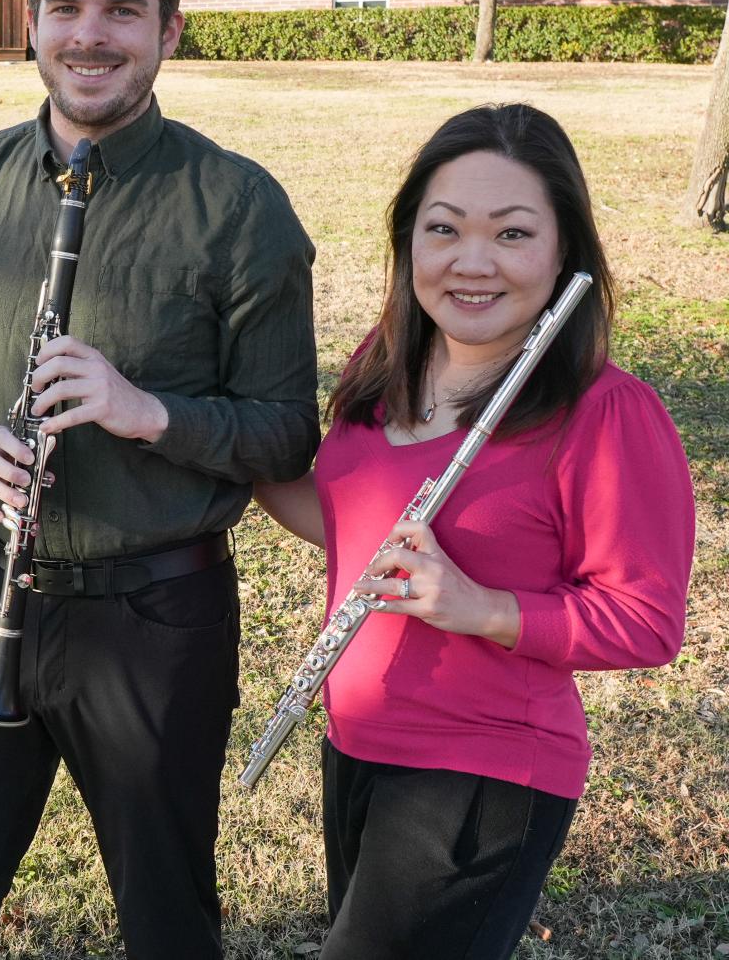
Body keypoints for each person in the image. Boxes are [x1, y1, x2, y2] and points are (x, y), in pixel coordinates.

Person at [0, 0, 319, 959]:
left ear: (168, 28)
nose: (89, 35)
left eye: (124, 10)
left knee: (166, 916)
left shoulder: (239, 207)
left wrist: (143, 411)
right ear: (31, 17)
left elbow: (283, 434)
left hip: (160, 615)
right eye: (66, 5)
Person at [255, 103, 695, 960]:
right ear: (408, 240)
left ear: (565, 248)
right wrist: (191, 435)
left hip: (485, 772)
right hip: (357, 740)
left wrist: (478, 605)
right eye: (444, 228)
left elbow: (647, 620)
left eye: (513, 233)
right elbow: (346, 526)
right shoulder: (383, 362)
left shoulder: (606, 413)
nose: (473, 262)